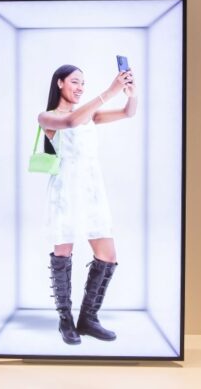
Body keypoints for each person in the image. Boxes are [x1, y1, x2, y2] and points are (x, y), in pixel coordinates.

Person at [37, 64, 137, 345]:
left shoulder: (89, 115)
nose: (80, 87)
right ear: (59, 83)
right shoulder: (47, 117)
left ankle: (88, 318)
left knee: (108, 255)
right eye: (75, 81)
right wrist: (109, 92)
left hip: (93, 190)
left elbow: (129, 113)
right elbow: (70, 122)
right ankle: (65, 320)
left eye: (83, 83)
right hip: (65, 190)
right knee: (63, 254)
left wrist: (130, 93)